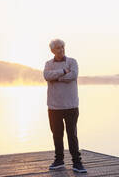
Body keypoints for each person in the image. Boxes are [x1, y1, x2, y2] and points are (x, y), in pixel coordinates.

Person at [43, 39, 87, 173]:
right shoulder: (48, 64)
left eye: (62, 47)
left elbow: (73, 75)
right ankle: (59, 160)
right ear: (52, 50)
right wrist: (63, 71)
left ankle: (77, 163)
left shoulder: (72, 62)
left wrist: (56, 79)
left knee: (72, 134)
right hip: (54, 107)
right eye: (57, 48)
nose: (61, 50)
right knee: (56, 135)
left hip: (71, 106)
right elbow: (46, 75)